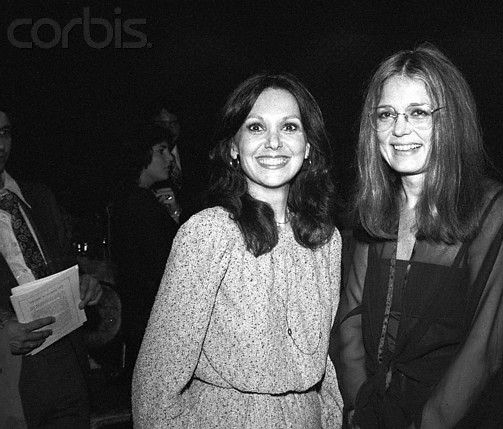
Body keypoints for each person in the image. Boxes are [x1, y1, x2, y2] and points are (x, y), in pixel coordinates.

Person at [132, 73, 343, 428]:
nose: (273, 142)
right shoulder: (208, 234)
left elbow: (326, 360)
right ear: (233, 146)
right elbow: (155, 386)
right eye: (256, 127)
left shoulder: (325, 239)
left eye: (290, 127)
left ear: (308, 146)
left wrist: (331, 416)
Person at [336, 43, 503, 429]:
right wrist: (358, 403)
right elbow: (350, 317)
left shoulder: (490, 208)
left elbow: (485, 349)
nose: (400, 129)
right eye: (386, 114)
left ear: (450, 119)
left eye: (419, 113)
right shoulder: (373, 209)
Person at [0, 106, 103, 428]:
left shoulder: (38, 197)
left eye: (4, 133)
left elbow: (66, 266)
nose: (0, 145)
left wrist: (85, 284)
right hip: (11, 368)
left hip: (65, 356)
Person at [110, 126, 180, 375]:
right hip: (152, 318)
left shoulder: (133, 199)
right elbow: (165, 264)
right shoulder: (140, 203)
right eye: (161, 151)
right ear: (142, 154)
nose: (169, 158)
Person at [148, 101, 209, 222]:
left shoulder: (197, 154)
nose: (169, 129)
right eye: (162, 123)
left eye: (173, 123)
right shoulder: (149, 161)